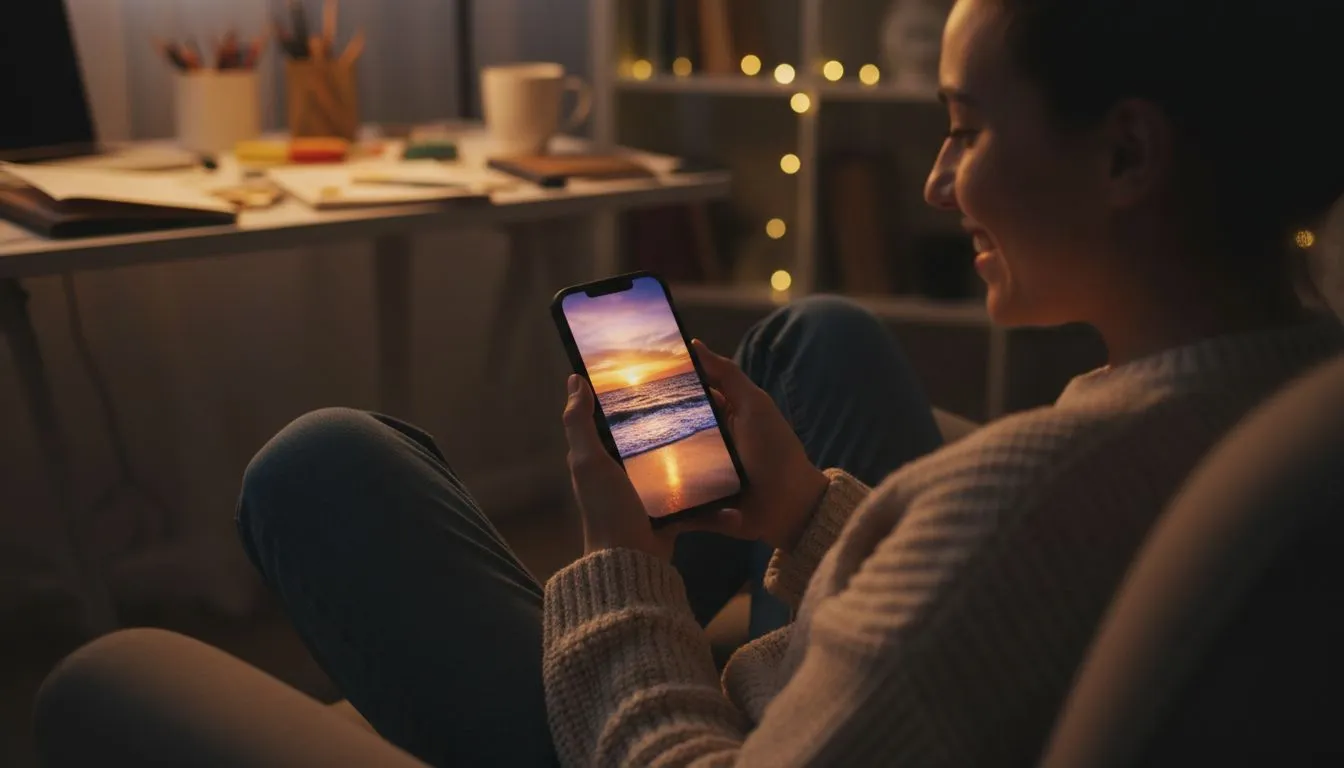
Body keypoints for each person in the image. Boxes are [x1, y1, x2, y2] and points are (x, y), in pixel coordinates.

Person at [34, 0, 1343, 765]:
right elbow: (970, 633)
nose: (941, 185)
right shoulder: (1284, 393)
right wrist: (799, 514)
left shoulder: (1020, 499)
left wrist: (620, 564)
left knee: (312, 472)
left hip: (677, 730)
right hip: (817, 684)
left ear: (1126, 154)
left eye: (965, 128)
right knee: (817, 333)